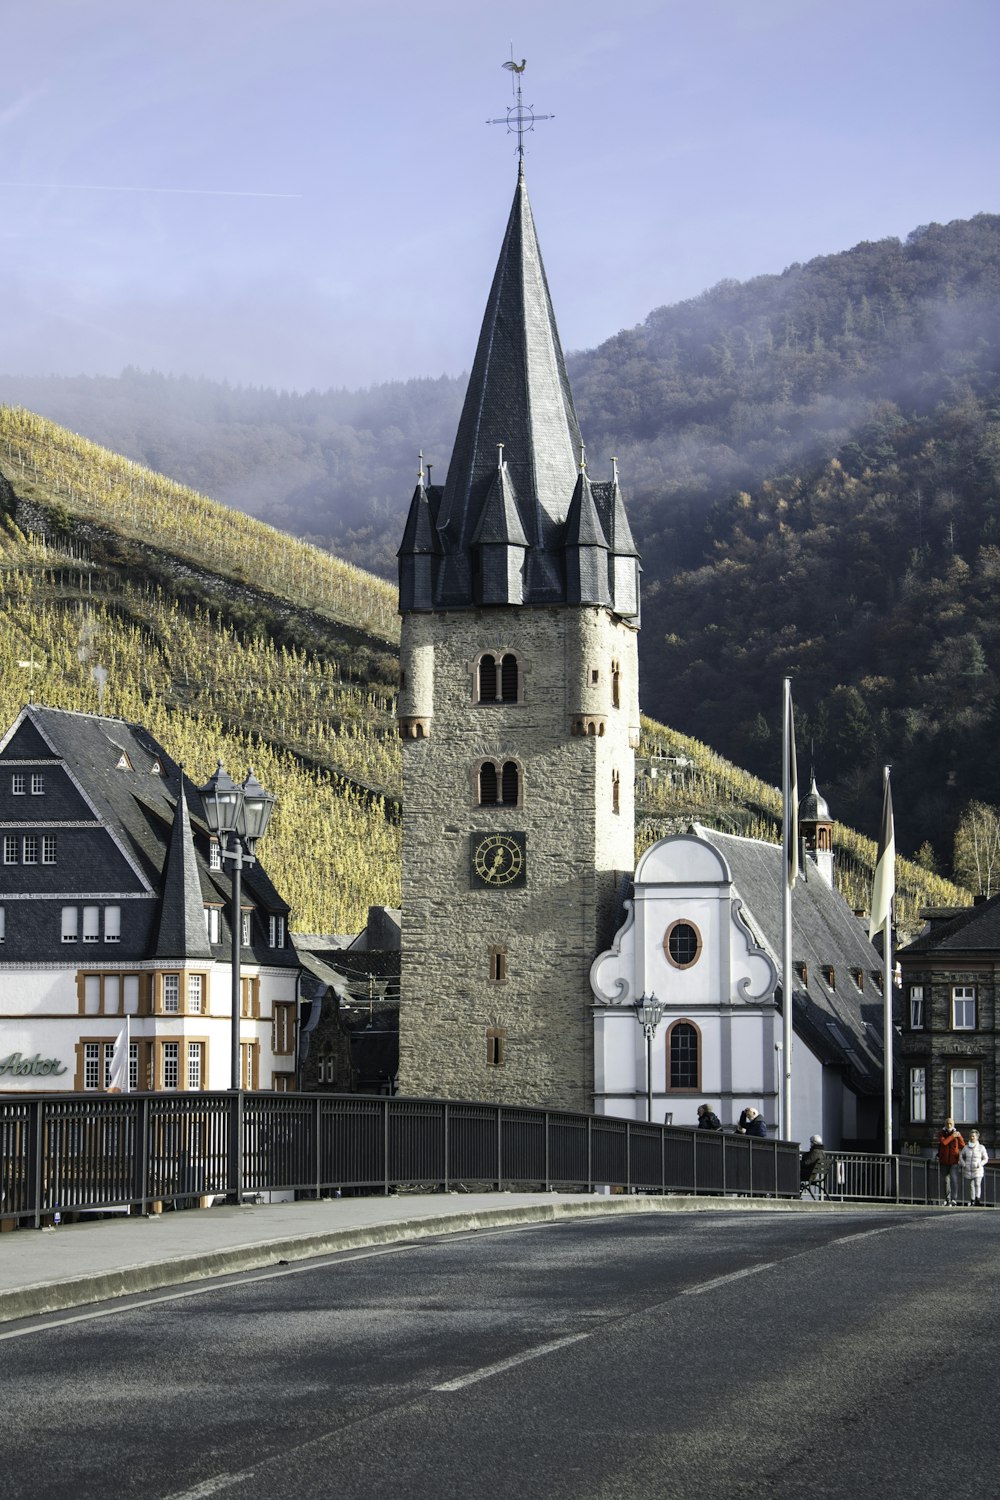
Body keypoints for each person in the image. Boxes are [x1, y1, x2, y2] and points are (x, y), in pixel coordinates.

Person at [938, 1118, 965, 1205]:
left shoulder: (956, 1134)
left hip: (954, 1161)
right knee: (946, 1181)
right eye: (947, 1123)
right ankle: (947, 1199)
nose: (949, 1125)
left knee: (954, 1179)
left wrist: (959, 1136)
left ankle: (954, 1199)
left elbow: (963, 1145)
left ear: (953, 1124)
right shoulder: (942, 1133)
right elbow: (944, 1143)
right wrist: (952, 1136)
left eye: (951, 1124)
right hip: (944, 1161)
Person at [959, 1130, 989, 1205]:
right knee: (971, 1186)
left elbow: (986, 1158)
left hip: (977, 1169)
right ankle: (972, 1200)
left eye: (973, 1136)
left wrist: (980, 1164)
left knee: (977, 1184)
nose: (972, 1138)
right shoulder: (966, 1147)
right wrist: (964, 1164)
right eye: (971, 1136)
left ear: (977, 1137)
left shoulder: (981, 1147)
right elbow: (961, 1156)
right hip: (968, 1169)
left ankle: (977, 1199)